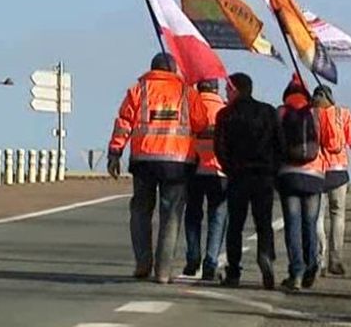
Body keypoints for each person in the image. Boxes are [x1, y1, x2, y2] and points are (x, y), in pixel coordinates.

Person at [107, 53, 208, 284]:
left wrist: (115, 153)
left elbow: (123, 123)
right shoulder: (187, 92)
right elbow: (201, 122)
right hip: (178, 163)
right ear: (173, 69)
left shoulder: (138, 90)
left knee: (141, 211)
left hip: (143, 161)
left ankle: (143, 263)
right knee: (171, 215)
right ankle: (163, 271)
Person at [214, 72, 282, 289]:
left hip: (238, 176)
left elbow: (220, 147)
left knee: (235, 225)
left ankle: (233, 272)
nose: (226, 92)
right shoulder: (268, 112)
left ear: (235, 89)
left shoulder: (225, 115)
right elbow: (280, 143)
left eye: (227, 89)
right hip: (264, 175)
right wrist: (273, 169)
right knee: (264, 223)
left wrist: (228, 168)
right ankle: (265, 256)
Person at [277, 74, 337, 291]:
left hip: (288, 175)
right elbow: (331, 143)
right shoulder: (316, 113)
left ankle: (297, 272)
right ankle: (312, 264)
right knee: (309, 224)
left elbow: (274, 144)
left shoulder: (282, 112)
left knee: (292, 224)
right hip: (314, 176)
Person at [182, 78, 227, 281]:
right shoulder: (224, 109)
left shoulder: (189, 106)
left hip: (193, 167)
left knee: (193, 214)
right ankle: (210, 261)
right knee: (217, 216)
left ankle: (193, 257)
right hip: (219, 171)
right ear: (217, 89)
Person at [312, 85, 351, 276]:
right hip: (339, 171)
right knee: (338, 216)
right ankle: (335, 259)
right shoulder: (343, 114)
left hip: (317, 171)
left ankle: (319, 259)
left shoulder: (310, 113)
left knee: (317, 218)